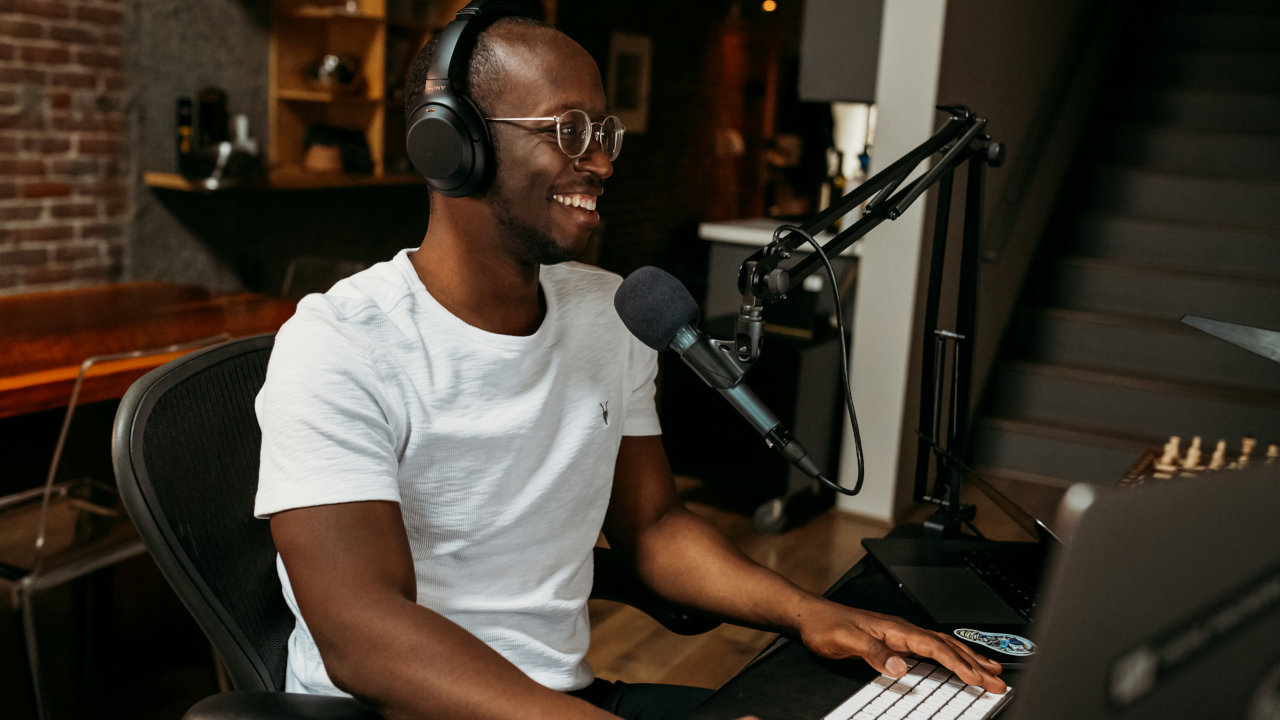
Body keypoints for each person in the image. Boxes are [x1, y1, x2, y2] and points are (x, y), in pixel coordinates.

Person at [253, 11, 1006, 720]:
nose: (603, 161)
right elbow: (362, 633)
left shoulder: (608, 314)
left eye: (604, 129)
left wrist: (810, 610)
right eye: (569, 130)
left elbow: (653, 526)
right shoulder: (341, 344)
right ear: (453, 145)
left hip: (563, 700)